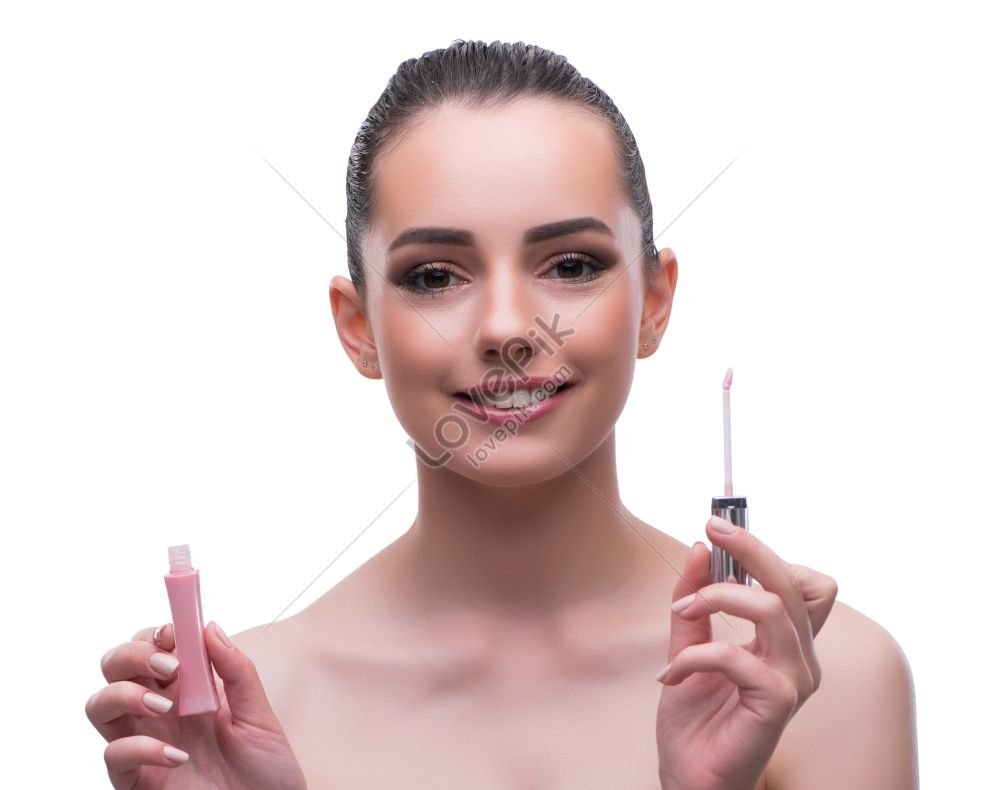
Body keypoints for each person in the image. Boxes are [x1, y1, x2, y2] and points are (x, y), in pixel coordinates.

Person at [85, 40, 919, 789]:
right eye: (435, 277)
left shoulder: (823, 683)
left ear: (655, 302)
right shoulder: (235, 721)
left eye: (570, 263)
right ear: (358, 327)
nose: (509, 329)